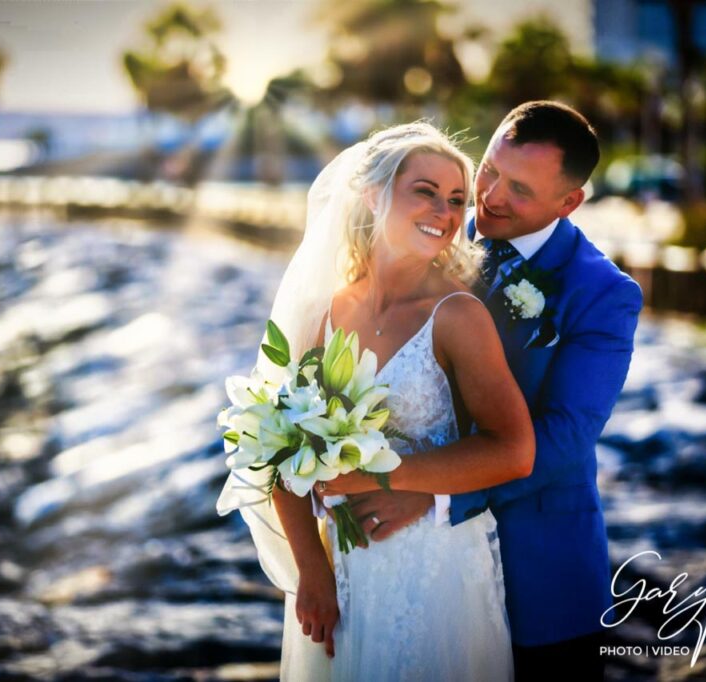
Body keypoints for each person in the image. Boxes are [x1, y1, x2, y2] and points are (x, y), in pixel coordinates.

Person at [337, 101, 644, 680]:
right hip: (424, 575)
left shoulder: (603, 292)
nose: (491, 196)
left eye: (520, 189)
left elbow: (564, 436)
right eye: (490, 170)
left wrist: (436, 494)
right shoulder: (438, 233)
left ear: (569, 202)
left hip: (541, 572)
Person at [218, 121, 535, 681]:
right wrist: (311, 572)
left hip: (435, 575)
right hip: (341, 572)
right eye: (425, 191)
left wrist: (384, 478)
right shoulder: (330, 309)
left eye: (457, 199)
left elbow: (514, 451)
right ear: (373, 194)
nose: (444, 210)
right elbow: (281, 444)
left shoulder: (458, 315)